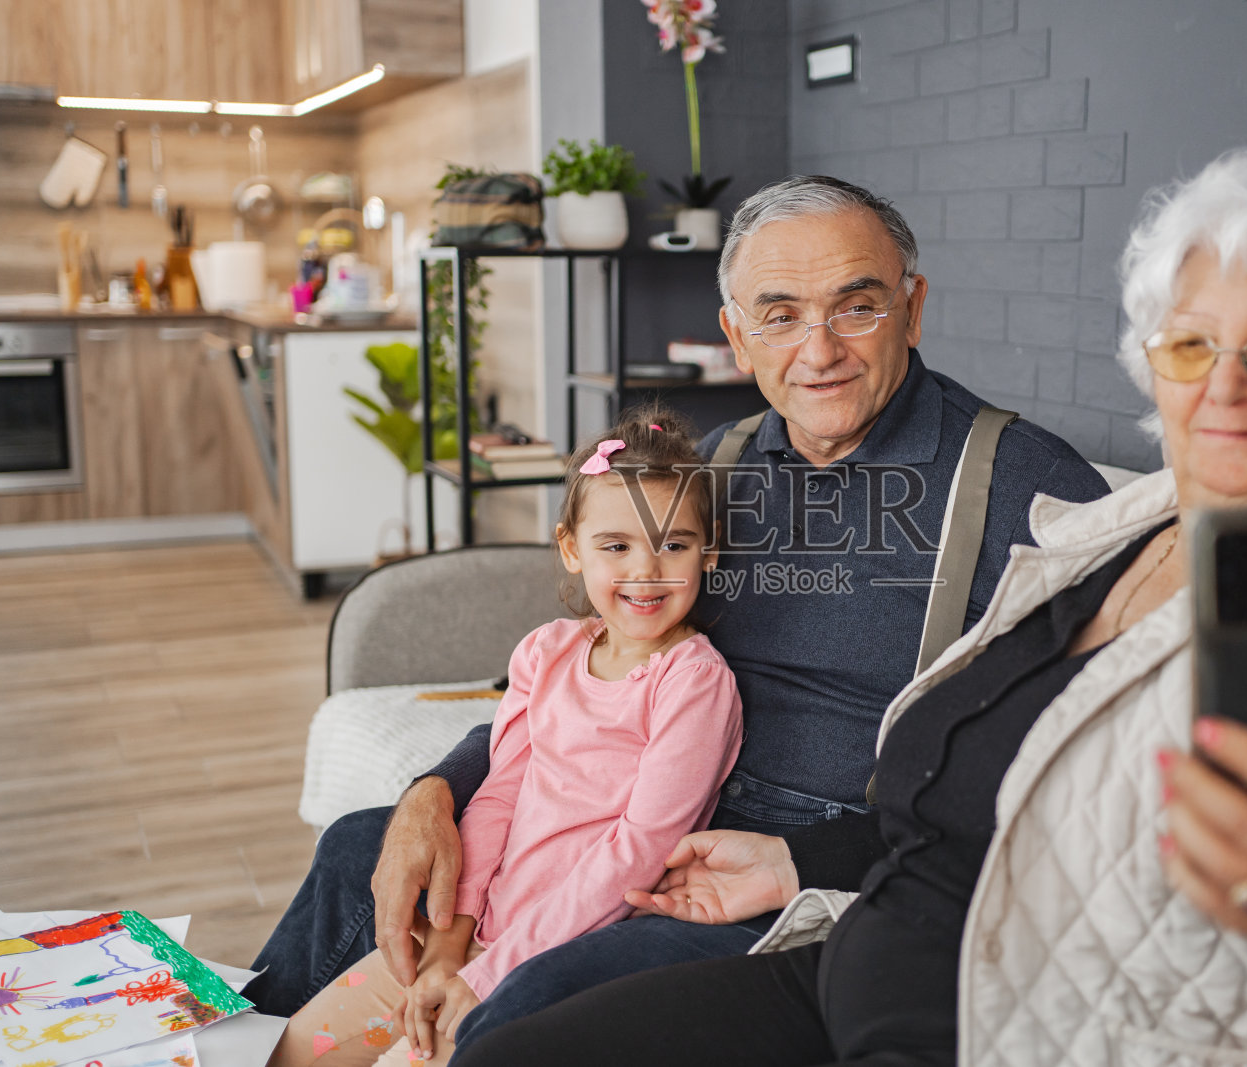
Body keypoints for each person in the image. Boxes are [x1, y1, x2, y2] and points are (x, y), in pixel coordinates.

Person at [454, 148, 1247, 1066]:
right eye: (1189, 346)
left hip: (1016, 1022)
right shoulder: (1104, 539)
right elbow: (949, 778)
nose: (1224, 386)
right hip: (852, 946)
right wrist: (797, 863)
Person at [244, 176, 1110, 1044]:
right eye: (778, 315)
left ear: (912, 310)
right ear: (736, 335)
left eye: (857, 307)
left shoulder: (1026, 490)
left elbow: (1078, 768)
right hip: (633, 813)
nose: (819, 351)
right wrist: (437, 788)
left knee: (520, 1006)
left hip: (788, 872)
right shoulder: (722, 468)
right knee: (360, 850)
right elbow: (575, 679)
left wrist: (810, 861)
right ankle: (217, 1042)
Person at [264, 410, 742, 1065]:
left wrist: (487, 973)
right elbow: (497, 795)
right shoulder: (545, 653)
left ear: (709, 549)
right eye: (616, 546)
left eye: (675, 544)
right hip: (478, 939)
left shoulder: (694, 683)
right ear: (572, 548)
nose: (646, 570)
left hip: (549, 962)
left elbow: (636, 853)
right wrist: (449, 943)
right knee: (281, 1049)